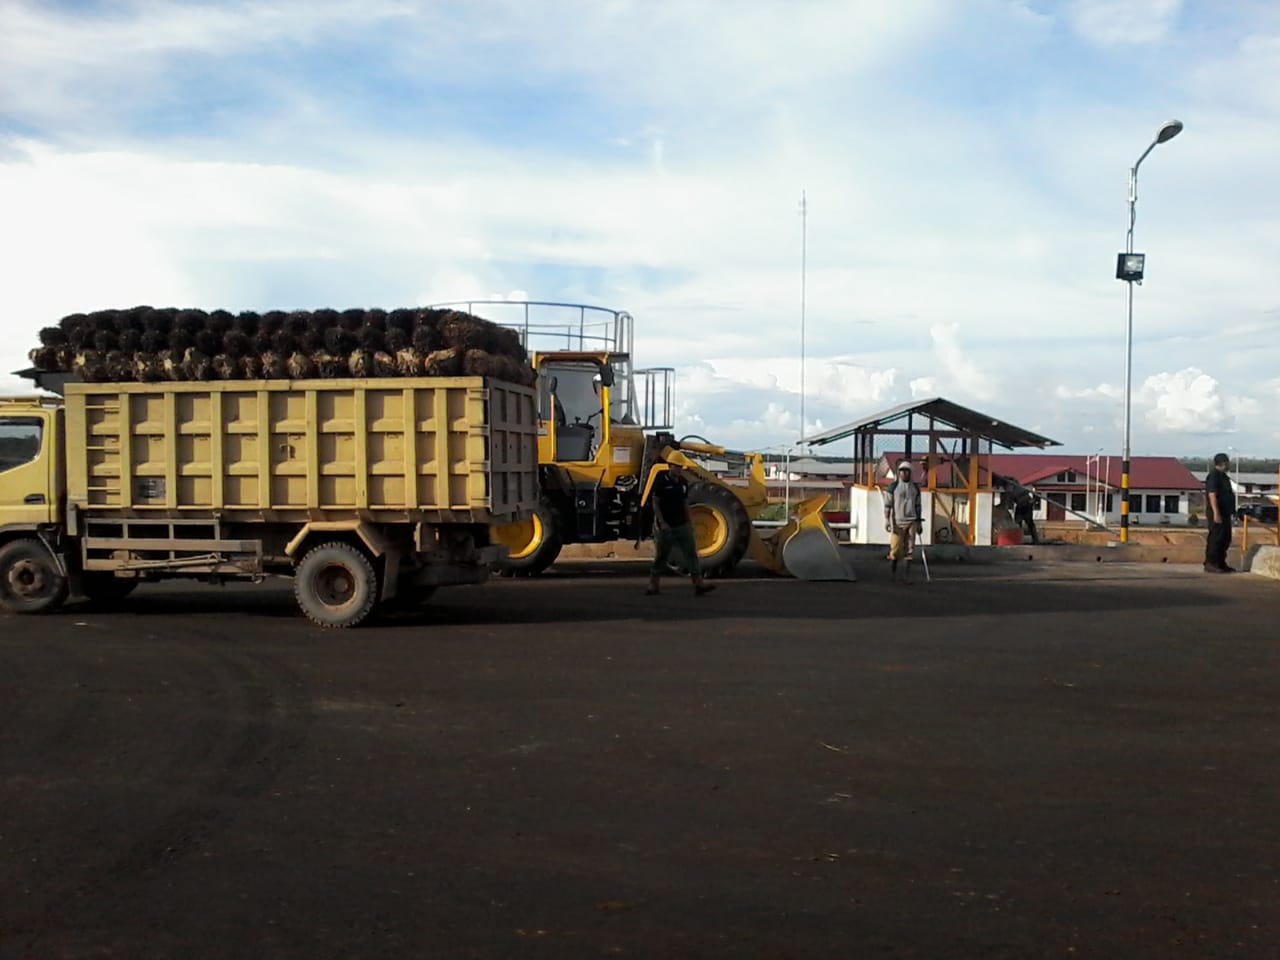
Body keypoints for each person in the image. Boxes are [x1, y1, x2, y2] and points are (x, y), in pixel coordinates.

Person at [646, 466, 715, 596]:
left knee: (691, 554)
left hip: (682, 525)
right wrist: (662, 522)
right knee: (662, 556)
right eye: (676, 467)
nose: (678, 470)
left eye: (680, 467)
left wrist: (690, 523)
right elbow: (655, 503)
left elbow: (685, 504)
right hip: (667, 527)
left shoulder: (682, 482)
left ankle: (698, 585)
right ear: (670, 466)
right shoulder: (661, 482)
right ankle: (653, 585)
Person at [884, 460, 923, 584]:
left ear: (910, 473)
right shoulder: (893, 487)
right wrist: (887, 520)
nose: (904, 473)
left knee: (909, 550)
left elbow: (918, 506)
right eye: (902, 471)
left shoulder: (915, 488)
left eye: (906, 471)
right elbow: (887, 505)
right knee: (895, 549)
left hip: (912, 521)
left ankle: (906, 577)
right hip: (897, 522)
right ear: (898, 473)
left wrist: (919, 523)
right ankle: (892, 575)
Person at [1203, 452, 1236, 573]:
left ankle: (1221, 563)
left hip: (1225, 512)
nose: (1229, 465)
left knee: (1225, 538)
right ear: (1223, 463)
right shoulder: (1214, 476)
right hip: (1217, 512)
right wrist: (1216, 512)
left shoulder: (1224, 477)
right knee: (1216, 538)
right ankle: (1211, 563)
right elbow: (1212, 494)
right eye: (1227, 462)